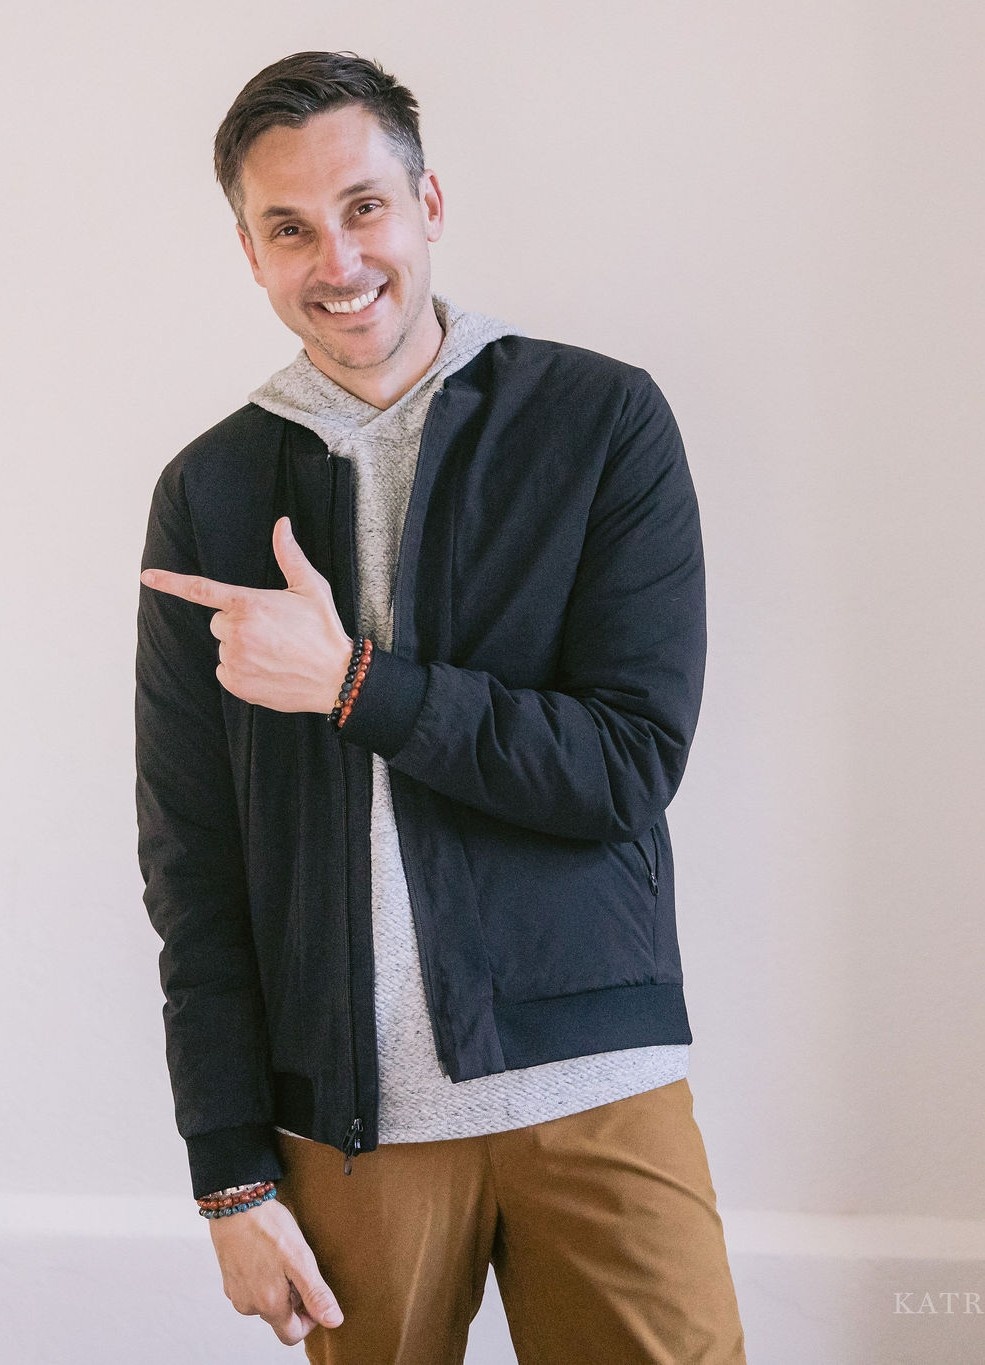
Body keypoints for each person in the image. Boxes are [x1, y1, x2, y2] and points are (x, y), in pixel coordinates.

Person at [135, 50, 746, 1365]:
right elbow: (194, 867)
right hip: (350, 1133)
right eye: (289, 227)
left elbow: (624, 766)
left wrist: (355, 685)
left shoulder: (597, 420)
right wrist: (228, 1173)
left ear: (428, 204)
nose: (338, 259)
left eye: (364, 206)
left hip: (596, 1092)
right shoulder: (210, 492)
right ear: (249, 253)